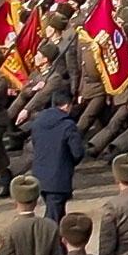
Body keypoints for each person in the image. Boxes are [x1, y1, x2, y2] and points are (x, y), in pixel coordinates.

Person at [31, 88, 86, 221]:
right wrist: (69, 163)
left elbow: (34, 143)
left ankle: (58, 241)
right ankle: (47, 240)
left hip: (40, 174)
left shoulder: (38, 122)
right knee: (53, 217)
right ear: (67, 105)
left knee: (58, 213)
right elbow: (77, 152)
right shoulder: (68, 125)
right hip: (59, 176)